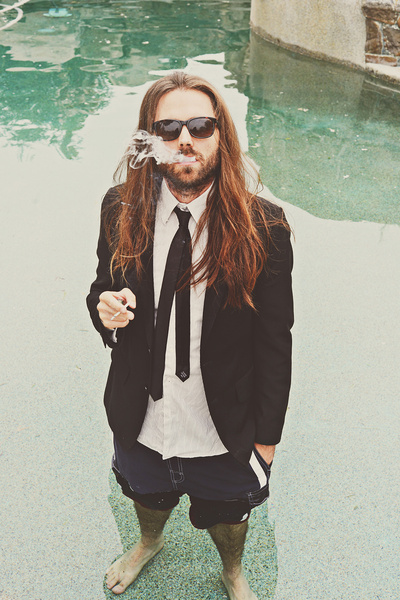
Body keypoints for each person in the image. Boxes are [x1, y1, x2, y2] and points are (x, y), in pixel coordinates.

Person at [86, 71, 293, 600]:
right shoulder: (120, 208)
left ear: (221, 135)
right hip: (143, 412)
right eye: (169, 127)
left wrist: (267, 439)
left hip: (224, 423)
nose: (185, 139)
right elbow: (102, 288)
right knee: (147, 496)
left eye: (200, 126)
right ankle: (149, 542)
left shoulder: (264, 226)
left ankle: (232, 571)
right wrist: (104, 311)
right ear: (149, 138)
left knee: (231, 514)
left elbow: (276, 340)